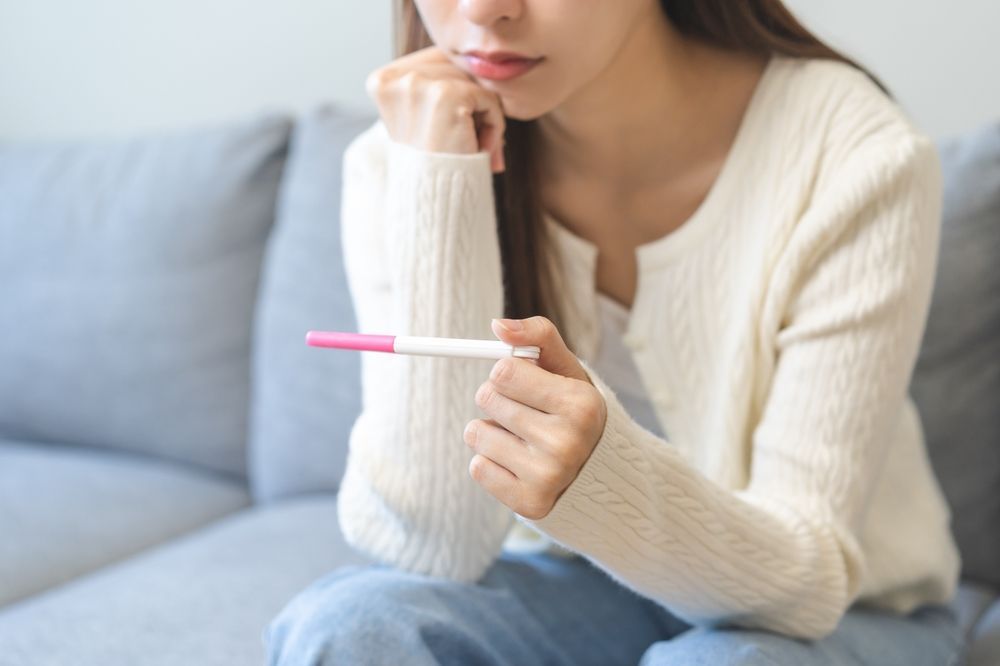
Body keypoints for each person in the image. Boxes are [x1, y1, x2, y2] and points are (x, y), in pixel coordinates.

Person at [265, 0, 965, 663]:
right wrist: (442, 180)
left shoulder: (855, 153)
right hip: (587, 587)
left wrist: (601, 479)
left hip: (849, 616)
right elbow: (438, 549)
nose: (483, 12)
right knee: (353, 630)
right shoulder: (401, 156)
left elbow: (808, 579)